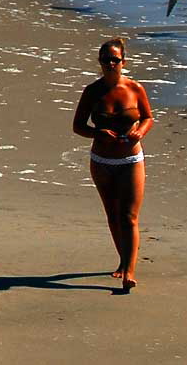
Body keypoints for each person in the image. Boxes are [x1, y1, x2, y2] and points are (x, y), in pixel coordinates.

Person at [72, 37, 154, 291]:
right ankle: (122, 260)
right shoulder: (93, 92)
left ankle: (129, 270)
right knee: (112, 215)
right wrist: (98, 133)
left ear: (123, 62)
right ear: (100, 62)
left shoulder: (135, 88)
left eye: (115, 60)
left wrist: (140, 132)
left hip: (130, 159)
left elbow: (148, 118)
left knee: (129, 216)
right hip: (102, 160)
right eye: (105, 60)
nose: (110, 64)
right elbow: (78, 127)